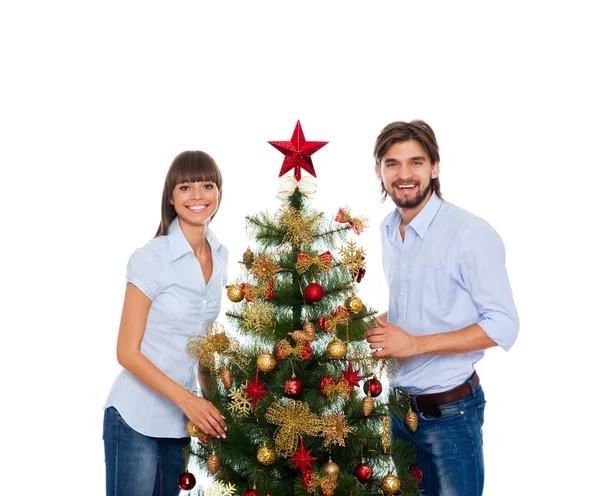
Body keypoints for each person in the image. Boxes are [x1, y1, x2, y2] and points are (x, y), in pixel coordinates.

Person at [365, 120, 519, 496]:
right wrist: (373, 325)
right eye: (392, 163)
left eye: (415, 162)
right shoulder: (389, 229)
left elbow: (503, 325)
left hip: (450, 414)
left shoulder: (469, 233)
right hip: (400, 410)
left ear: (435, 167)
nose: (404, 175)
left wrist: (413, 345)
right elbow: (417, 304)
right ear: (378, 171)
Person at [103, 150, 229, 496]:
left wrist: (213, 403)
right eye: (185, 188)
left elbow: (203, 340)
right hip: (134, 419)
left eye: (207, 185)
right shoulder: (150, 258)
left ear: (219, 192)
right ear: (171, 198)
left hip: (179, 427)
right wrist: (188, 401)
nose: (198, 196)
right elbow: (126, 352)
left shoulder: (220, 256)